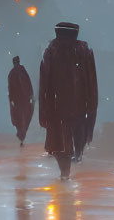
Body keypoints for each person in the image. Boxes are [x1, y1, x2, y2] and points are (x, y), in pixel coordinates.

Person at [38, 21, 98, 179]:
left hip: (57, 106)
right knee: (77, 136)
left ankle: (65, 171)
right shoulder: (83, 51)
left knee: (61, 141)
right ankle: (72, 160)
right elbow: (92, 83)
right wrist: (92, 106)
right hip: (79, 105)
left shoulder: (51, 51)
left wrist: (43, 110)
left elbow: (44, 85)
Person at [7, 55, 35, 145]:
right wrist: (30, 95)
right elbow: (28, 84)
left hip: (18, 100)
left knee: (19, 118)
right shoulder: (23, 71)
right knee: (24, 116)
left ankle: (21, 134)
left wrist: (11, 99)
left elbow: (10, 88)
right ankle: (22, 134)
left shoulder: (12, 73)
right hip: (24, 99)